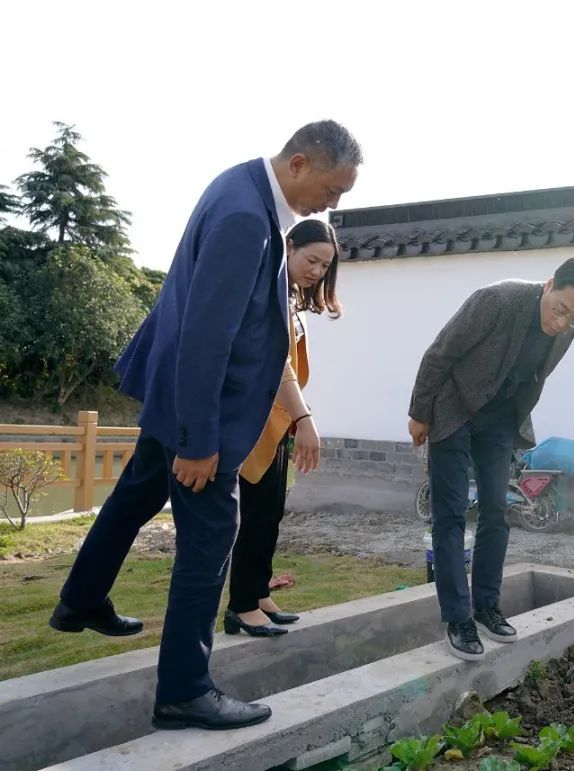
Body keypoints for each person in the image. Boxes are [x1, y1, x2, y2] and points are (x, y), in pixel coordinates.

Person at [48, 121, 362, 729]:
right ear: (300, 163)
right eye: (333, 188)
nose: (334, 204)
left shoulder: (240, 188)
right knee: (213, 537)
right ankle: (185, 690)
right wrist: (196, 442)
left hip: (176, 399)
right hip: (202, 414)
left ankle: (80, 600)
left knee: (134, 496)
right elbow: (205, 337)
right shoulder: (247, 216)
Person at [408, 257, 574, 660]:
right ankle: (458, 617)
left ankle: (485, 606)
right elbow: (439, 353)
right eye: (560, 310)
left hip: (499, 420)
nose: (562, 323)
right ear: (549, 283)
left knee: (497, 511)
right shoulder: (497, 301)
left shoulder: (566, 331)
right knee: (450, 512)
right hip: (453, 410)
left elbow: (535, 375)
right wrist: (419, 413)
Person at [223, 219, 343, 638]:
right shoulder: (267, 289)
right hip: (253, 420)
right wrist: (305, 416)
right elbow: (277, 362)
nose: (316, 271)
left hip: (276, 422)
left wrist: (296, 416)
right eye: (311, 259)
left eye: (324, 267)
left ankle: (257, 593)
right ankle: (240, 605)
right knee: (253, 515)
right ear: (288, 247)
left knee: (269, 513)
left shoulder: (290, 296)